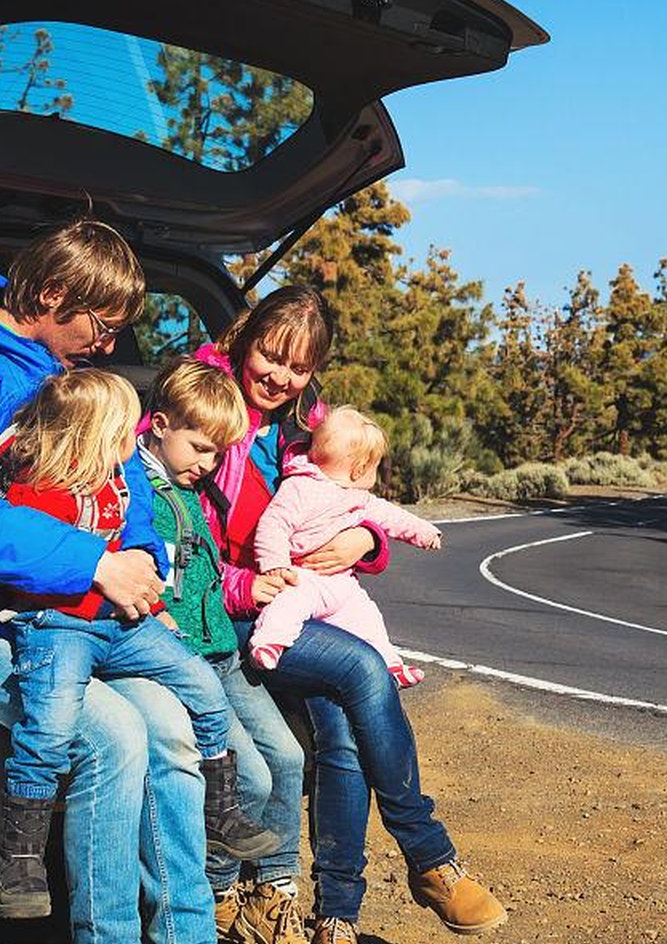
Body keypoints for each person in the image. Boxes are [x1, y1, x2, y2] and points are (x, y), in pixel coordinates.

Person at [0, 219, 216, 944]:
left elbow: (130, 498)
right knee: (115, 738)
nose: (110, 346)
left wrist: (142, 569)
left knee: (171, 725)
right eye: (103, 325)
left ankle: (189, 933)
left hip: (87, 620)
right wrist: (93, 564)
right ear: (55, 294)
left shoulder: (76, 383)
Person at [190, 285, 506, 944]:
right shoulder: (204, 412)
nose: (279, 377)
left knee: (341, 729)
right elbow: (178, 539)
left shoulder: (311, 427)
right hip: (231, 612)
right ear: (246, 339)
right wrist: (248, 583)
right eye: (271, 356)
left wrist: (366, 540)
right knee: (363, 670)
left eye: (298, 367)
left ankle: (336, 917)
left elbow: (351, 503)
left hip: (301, 602)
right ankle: (430, 855)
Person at [0, 369, 278, 919]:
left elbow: (140, 549)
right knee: (48, 729)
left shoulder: (118, 481)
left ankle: (220, 810)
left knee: (204, 687)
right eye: (124, 429)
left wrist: (152, 600)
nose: (133, 437)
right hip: (57, 627)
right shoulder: (32, 488)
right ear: (88, 434)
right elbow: (27, 557)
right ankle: (20, 859)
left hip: (122, 622)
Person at [138, 357, 308, 944]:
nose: (208, 465)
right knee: (249, 780)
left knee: (288, 760)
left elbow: (207, 577)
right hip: (190, 662)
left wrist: (249, 587)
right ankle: (219, 891)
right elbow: (151, 583)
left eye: (217, 455)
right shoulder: (143, 494)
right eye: (200, 450)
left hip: (223, 653)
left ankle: (273, 890)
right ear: (160, 425)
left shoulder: (190, 491)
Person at [248, 405, 442, 688]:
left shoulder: (358, 497)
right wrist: (275, 564)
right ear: (360, 469)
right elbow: (274, 524)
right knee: (287, 604)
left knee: (367, 618)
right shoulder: (301, 487)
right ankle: (268, 642)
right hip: (303, 576)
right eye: (374, 467)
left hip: (342, 584)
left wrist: (424, 532)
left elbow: (393, 517)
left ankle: (390, 664)